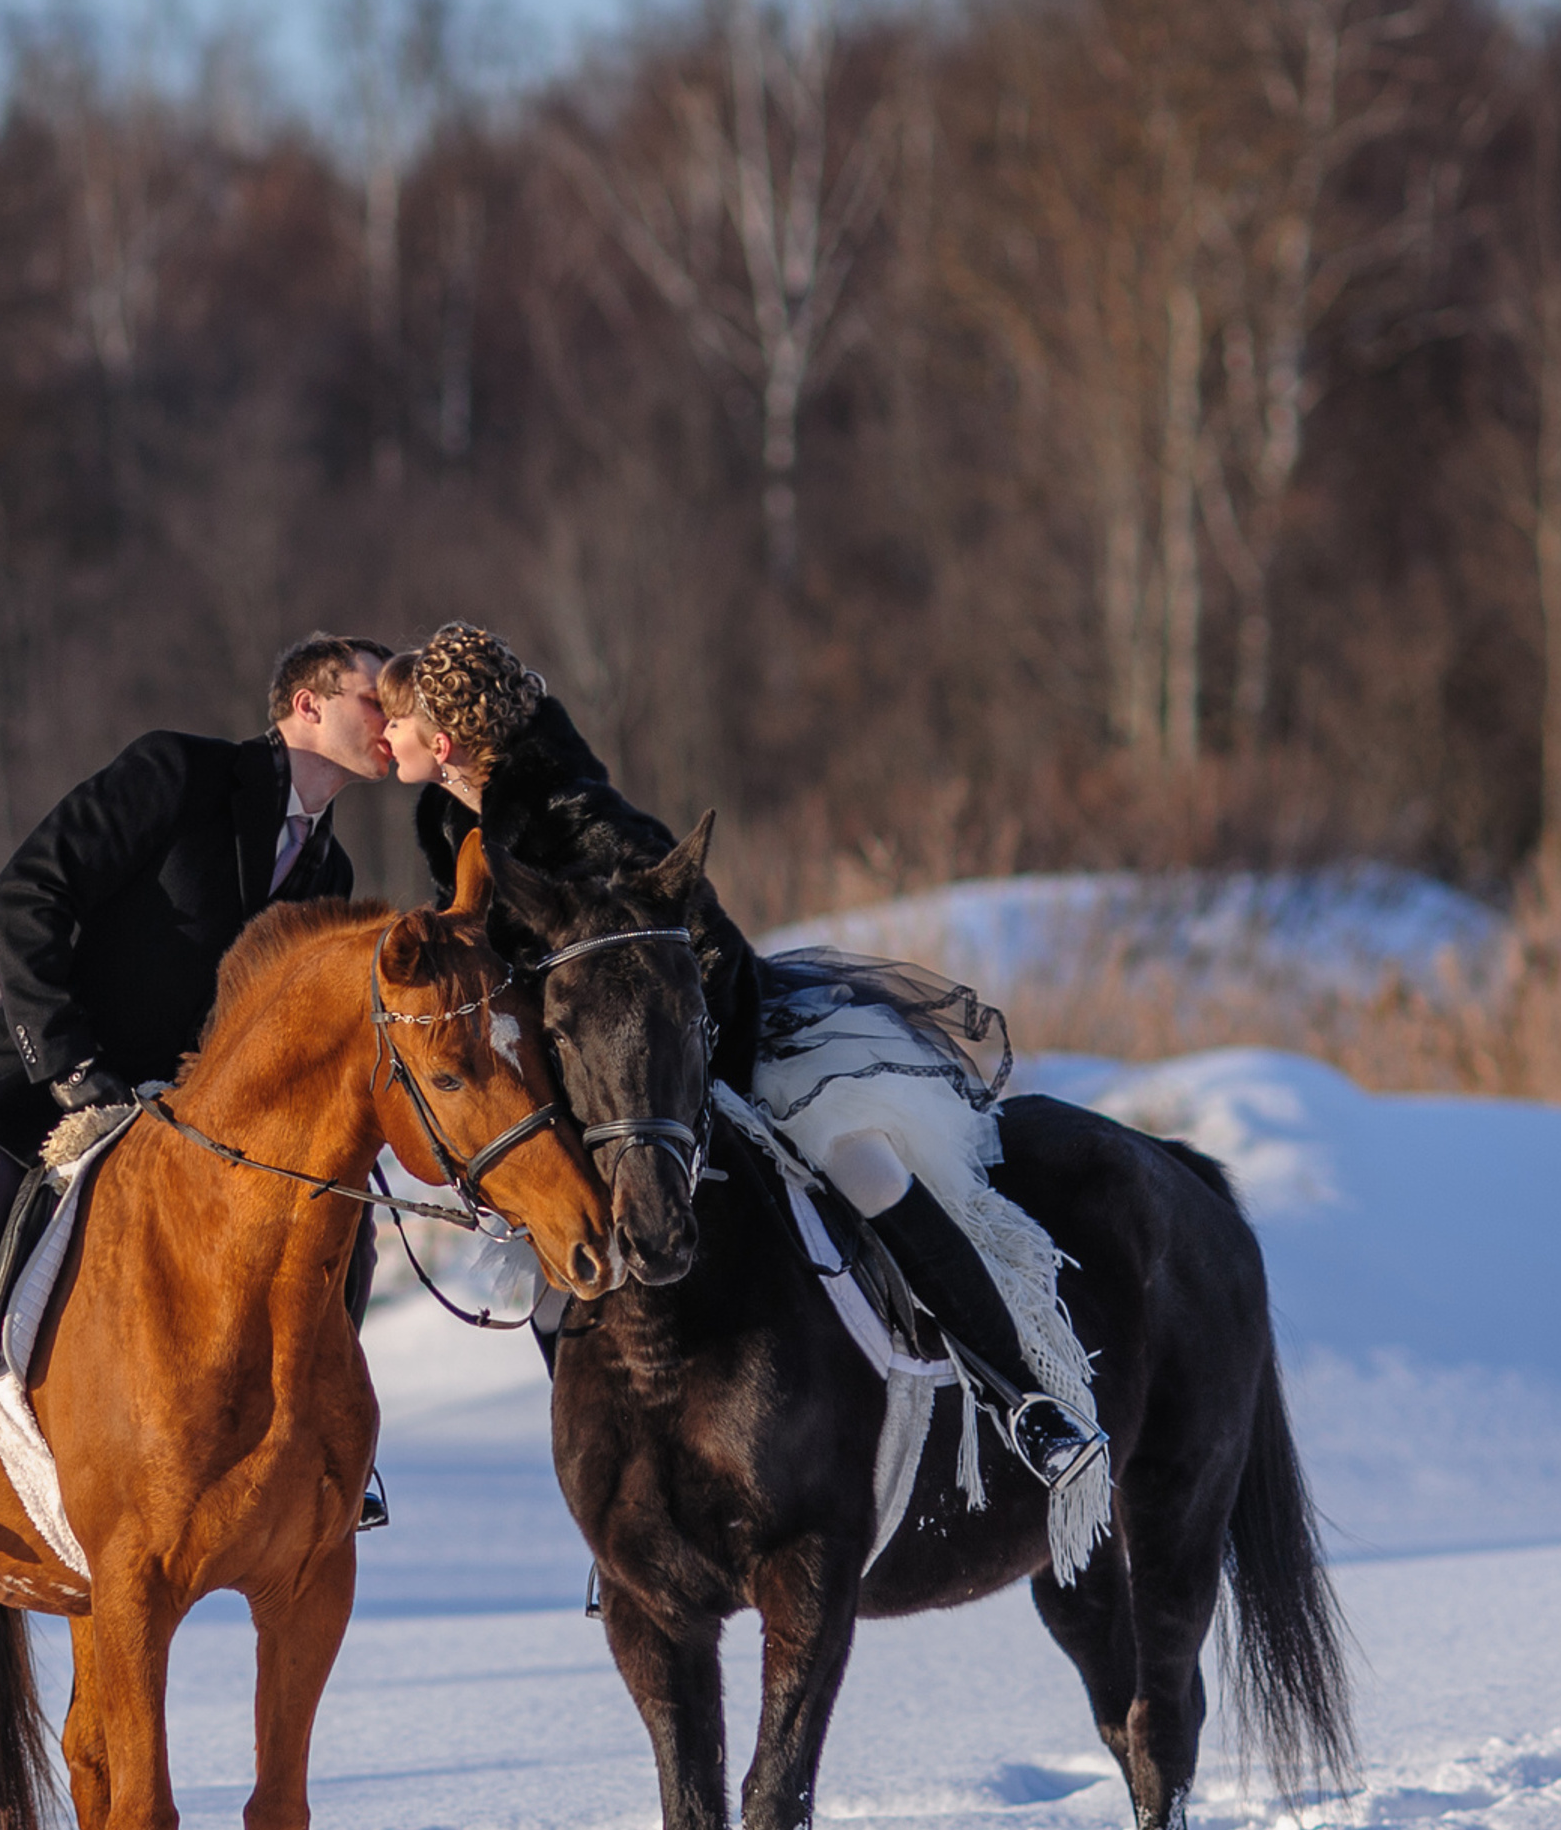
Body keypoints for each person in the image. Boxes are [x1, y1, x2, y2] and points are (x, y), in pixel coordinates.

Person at [380, 622, 1105, 1496]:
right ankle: (623, 1500)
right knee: (546, 1283)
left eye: (397, 723)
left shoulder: (579, 818)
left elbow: (709, 952)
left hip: (711, 1051)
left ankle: (1023, 1403)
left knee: (863, 1168)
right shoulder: (455, 830)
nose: (383, 738)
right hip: (590, 1089)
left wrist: (690, 1081)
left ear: (444, 741)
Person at [0, 632, 400, 1545]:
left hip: (188, 1118)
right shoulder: (179, 773)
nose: (392, 722)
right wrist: (70, 1062)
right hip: (45, 1078)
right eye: (374, 701)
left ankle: (320, 1443)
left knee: (334, 1226)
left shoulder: (332, 873)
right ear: (306, 705)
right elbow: (30, 890)